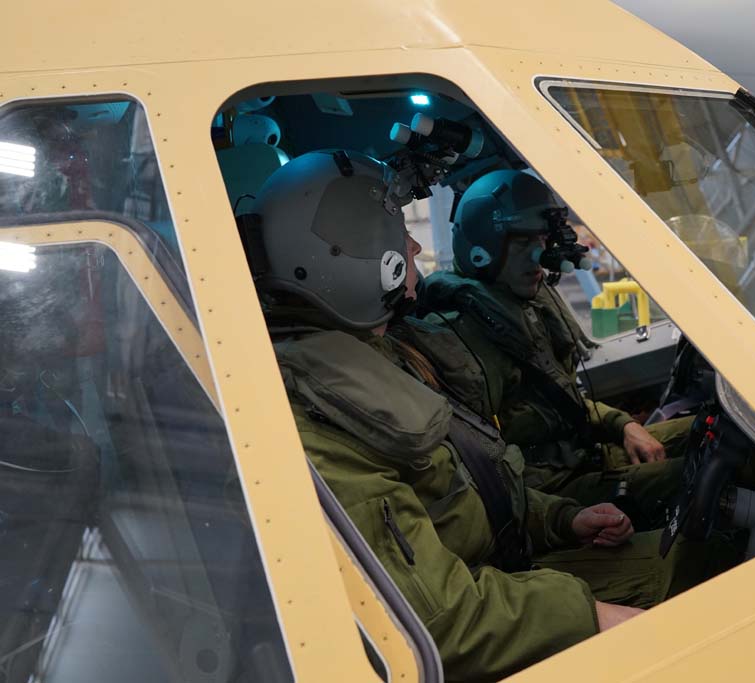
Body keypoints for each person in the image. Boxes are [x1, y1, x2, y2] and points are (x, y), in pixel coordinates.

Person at [252, 151, 704, 681]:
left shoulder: (380, 360)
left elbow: (473, 485)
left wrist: (559, 518)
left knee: (697, 533)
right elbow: (437, 621)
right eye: (400, 234)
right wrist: (588, 616)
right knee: (696, 556)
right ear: (356, 255)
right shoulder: (320, 412)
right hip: (492, 601)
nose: (418, 247)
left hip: (513, 568)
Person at [420, 170, 696, 529]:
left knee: (707, 435)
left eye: (542, 243)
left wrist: (623, 424)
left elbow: (560, 398)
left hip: (583, 455)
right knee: (697, 474)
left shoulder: (520, 304)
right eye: (523, 245)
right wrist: (563, 518)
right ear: (481, 248)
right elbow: (486, 471)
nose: (538, 259)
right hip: (551, 491)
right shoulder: (460, 335)